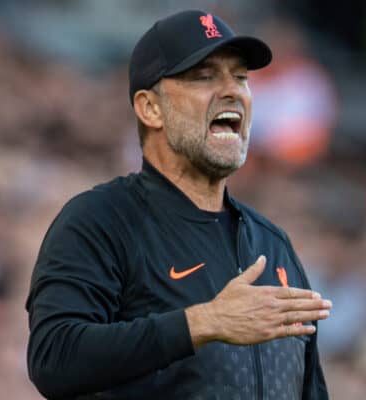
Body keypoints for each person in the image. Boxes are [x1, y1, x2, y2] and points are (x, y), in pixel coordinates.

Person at [26, 9, 332, 400]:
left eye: (240, 77)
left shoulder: (273, 245)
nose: (233, 90)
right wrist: (205, 322)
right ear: (150, 108)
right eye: (204, 77)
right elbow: (54, 357)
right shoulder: (100, 220)